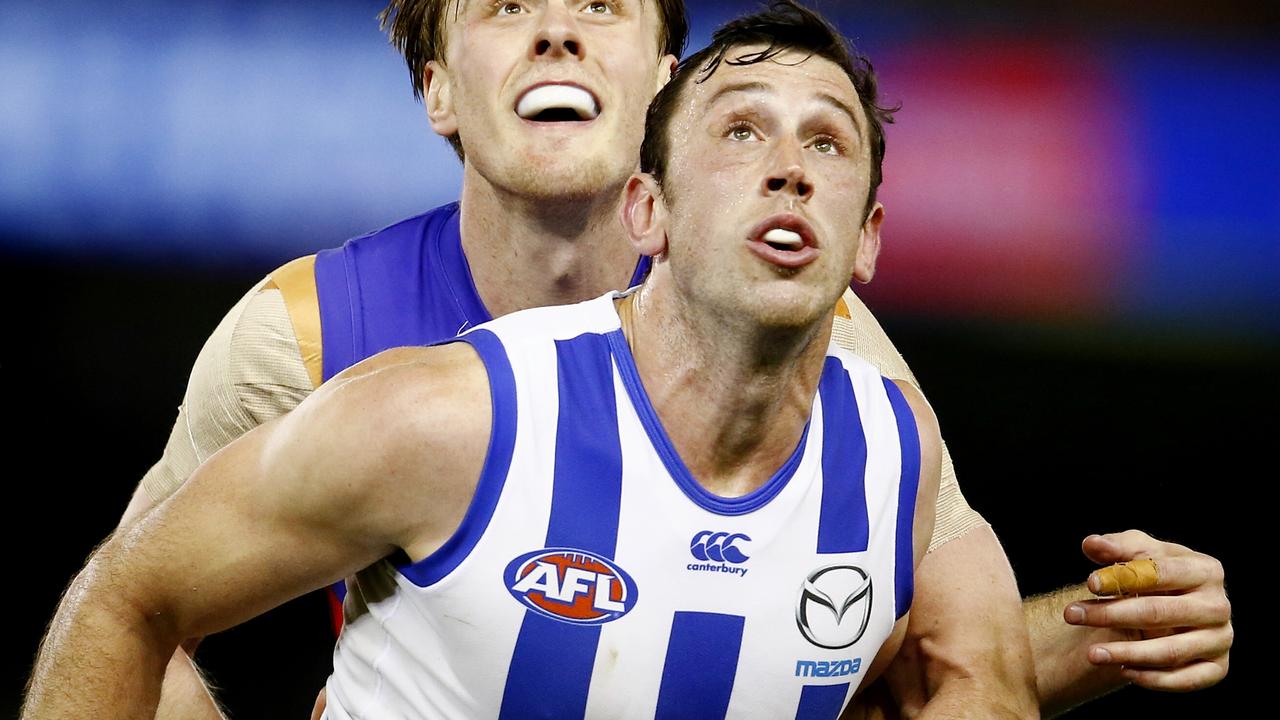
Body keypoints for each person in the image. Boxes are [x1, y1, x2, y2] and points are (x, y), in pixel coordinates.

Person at [107, 0, 1229, 717]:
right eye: (506, 7)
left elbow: (923, 673)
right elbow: (134, 615)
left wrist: (1107, 624)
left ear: (663, 84)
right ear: (439, 88)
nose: (556, 33)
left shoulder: (839, 363)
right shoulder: (301, 333)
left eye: (600, 5)